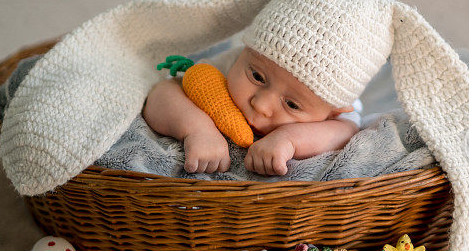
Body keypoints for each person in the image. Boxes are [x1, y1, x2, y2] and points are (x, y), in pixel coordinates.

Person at [142, 45, 360, 176]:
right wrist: (197, 129)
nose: (261, 105)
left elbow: (344, 131)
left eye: (292, 104)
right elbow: (162, 93)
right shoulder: (229, 64)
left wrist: (289, 139)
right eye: (257, 77)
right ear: (245, 52)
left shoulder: (337, 105)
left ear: (333, 112)